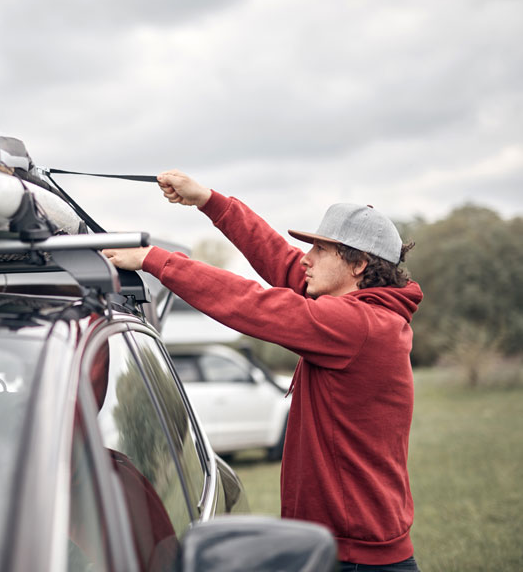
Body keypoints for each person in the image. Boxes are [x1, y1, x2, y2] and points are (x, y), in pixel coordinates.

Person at [103, 169, 423, 572]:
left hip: (356, 558)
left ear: (358, 265)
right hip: (346, 545)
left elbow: (253, 303)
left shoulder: (358, 326)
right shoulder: (363, 316)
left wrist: (156, 260)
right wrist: (208, 200)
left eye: (321, 250)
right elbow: (280, 259)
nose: (306, 257)